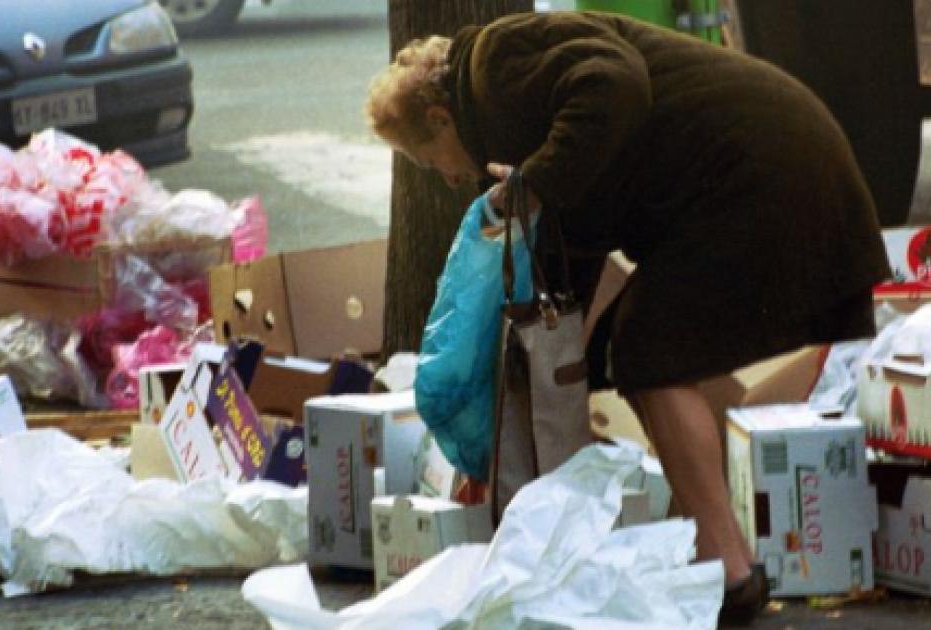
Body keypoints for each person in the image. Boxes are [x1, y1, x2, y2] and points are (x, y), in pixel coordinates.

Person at [365, 10, 890, 622]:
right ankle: (713, 543)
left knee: (651, 351)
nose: (451, 177)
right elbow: (585, 223)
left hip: (762, 167)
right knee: (632, 348)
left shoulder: (495, 68)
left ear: (439, 118)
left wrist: (535, 184)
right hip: (755, 167)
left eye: (433, 162)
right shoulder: (501, 103)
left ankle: (730, 570)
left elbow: (615, 83)